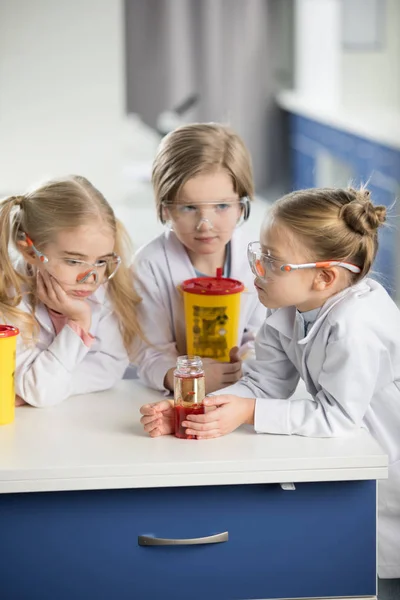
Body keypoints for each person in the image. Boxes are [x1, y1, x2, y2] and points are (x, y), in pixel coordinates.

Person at [140, 186, 400, 585]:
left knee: (379, 567)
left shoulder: (356, 327)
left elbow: (338, 417)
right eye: (258, 254)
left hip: (386, 452)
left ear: (324, 277)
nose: (255, 270)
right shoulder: (288, 306)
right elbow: (264, 383)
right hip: (359, 452)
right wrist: (193, 409)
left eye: (272, 262)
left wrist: (248, 412)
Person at [131, 123, 266, 394]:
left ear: (242, 205)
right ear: (165, 208)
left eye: (222, 206)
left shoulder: (258, 259)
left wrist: (246, 366)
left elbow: (263, 337)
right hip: (177, 394)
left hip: (241, 392)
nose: (205, 224)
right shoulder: (149, 265)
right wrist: (184, 378)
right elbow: (150, 353)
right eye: (189, 207)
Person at [0, 175, 143, 407]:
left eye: (101, 261)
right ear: (29, 252)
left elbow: (111, 366)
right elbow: (40, 392)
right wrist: (79, 324)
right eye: (74, 262)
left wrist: (56, 384)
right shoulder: (9, 300)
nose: (90, 279)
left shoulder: (102, 288)